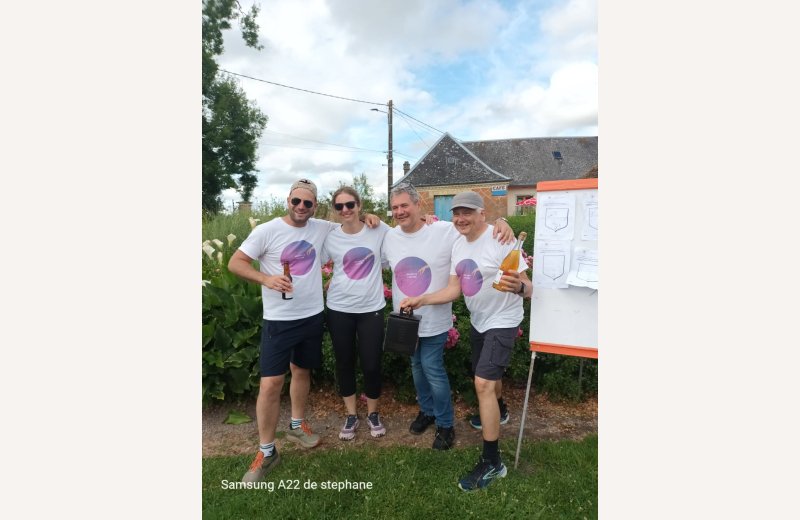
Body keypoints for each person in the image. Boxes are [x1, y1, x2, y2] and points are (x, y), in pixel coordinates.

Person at [228, 178, 379, 483]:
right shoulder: (267, 230)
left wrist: (370, 217)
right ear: (288, 200)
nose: (301, 207)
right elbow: (236, 262)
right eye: (296, 201)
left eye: (307, 203)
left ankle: (297, 425)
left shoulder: (321, 226)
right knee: (270, 384)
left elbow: (351, 221)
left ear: (315, 206)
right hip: (279, 319)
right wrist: (266, 279)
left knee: (301, 372)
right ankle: (267, 451)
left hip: (312, 315)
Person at [400, 190, 531, 491]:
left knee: (482, 383)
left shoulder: (501, 239)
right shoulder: (457, 244)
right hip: (479, 320)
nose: (461, 218)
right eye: (457, 213)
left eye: (468, 212)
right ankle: (502, 409)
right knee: (486, 377)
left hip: (504, 321)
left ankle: (492, 462)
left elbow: (529, 286)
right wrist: (423, 298)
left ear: (482, 214)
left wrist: (520, 290)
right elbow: (453, 289)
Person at [383, 183, 514, 451]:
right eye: (395, 207)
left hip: (434, 318)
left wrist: (502, 220)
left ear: (419, 205)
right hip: (405, 319)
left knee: (432, 369)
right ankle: (427, 411)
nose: (399, 211)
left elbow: (477, 228)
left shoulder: (444, 230)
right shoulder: (389, 237)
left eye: (405, 205)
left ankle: (445, 424)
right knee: (417, 369)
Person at [321, 186, 391, 441]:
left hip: (371, 308)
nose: (345, 210)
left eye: (350, 204)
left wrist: (427, 220)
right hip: (339, 308)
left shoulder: (378, 229)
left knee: (372, 364)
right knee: (344, 363)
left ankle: (373, 413)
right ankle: (351, 415)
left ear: (359, 205)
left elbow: (407, 237)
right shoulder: (331, 237)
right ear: (335, 210)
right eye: (339, 207)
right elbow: (311, 261)